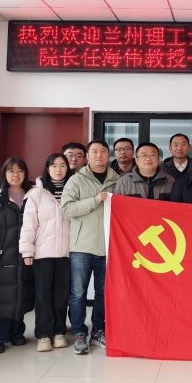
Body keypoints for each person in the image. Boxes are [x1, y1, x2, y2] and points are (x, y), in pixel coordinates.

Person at [61, 140, 119, 355]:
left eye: (103, 151)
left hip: (108, 246)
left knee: (104, 293)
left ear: (108, 155)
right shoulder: (76, 180)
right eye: (94, 151)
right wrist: (95, 200)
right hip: (82, 246)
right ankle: (79, 332)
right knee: (78, 293)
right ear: (87, 156)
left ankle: (98, 331)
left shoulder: (117, 181)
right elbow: (67, 208)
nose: (99, 155)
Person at [0, 157, 35, 354]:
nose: (16, 175)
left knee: (21, 292)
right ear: (4, 173)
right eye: (11, 171)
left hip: (25, 255)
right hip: (2, 256)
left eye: (20, 171)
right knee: (0, 296)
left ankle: (16, 333)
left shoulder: (33, 195)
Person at [20, 153, 73, 352]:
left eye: (62, 165)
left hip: (67, 253)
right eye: (54, 166)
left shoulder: (73, 190)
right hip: (43, 253)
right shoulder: (37, 194)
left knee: (61, 295)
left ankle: (59, 332)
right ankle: (43, 335)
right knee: (43, 295)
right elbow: (28, 225)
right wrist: (27, 251)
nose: (58, 169)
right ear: (47, 169)